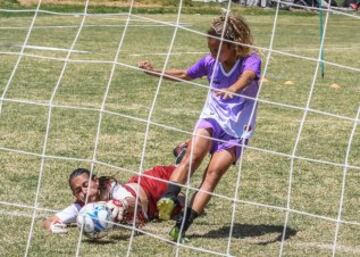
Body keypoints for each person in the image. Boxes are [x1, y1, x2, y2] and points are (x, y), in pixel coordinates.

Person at [139, 14, 261, 242]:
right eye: (210, 49)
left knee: (212, 175)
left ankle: (181, 226)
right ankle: (169, 198)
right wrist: (154, 71)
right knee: (193, 156)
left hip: (237, 130)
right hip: (212, 119)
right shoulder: (209, 62)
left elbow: (248, 77)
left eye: (217, 50)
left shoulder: (250, 60)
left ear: (233, 46)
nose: (213, 54)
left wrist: (232, 89)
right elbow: (185, 74)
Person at [43, 153, 186, 233]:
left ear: (96, 181)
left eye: (86, 185)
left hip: (151, 186)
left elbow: (131, 201)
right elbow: (50, 220)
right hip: (152, 211)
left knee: (186, 166)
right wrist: (52, 226)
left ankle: (182, 154)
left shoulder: (111, 188)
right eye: (78, 190)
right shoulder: (82, 208)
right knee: (181, 203)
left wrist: (121, 204)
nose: (84, 192)